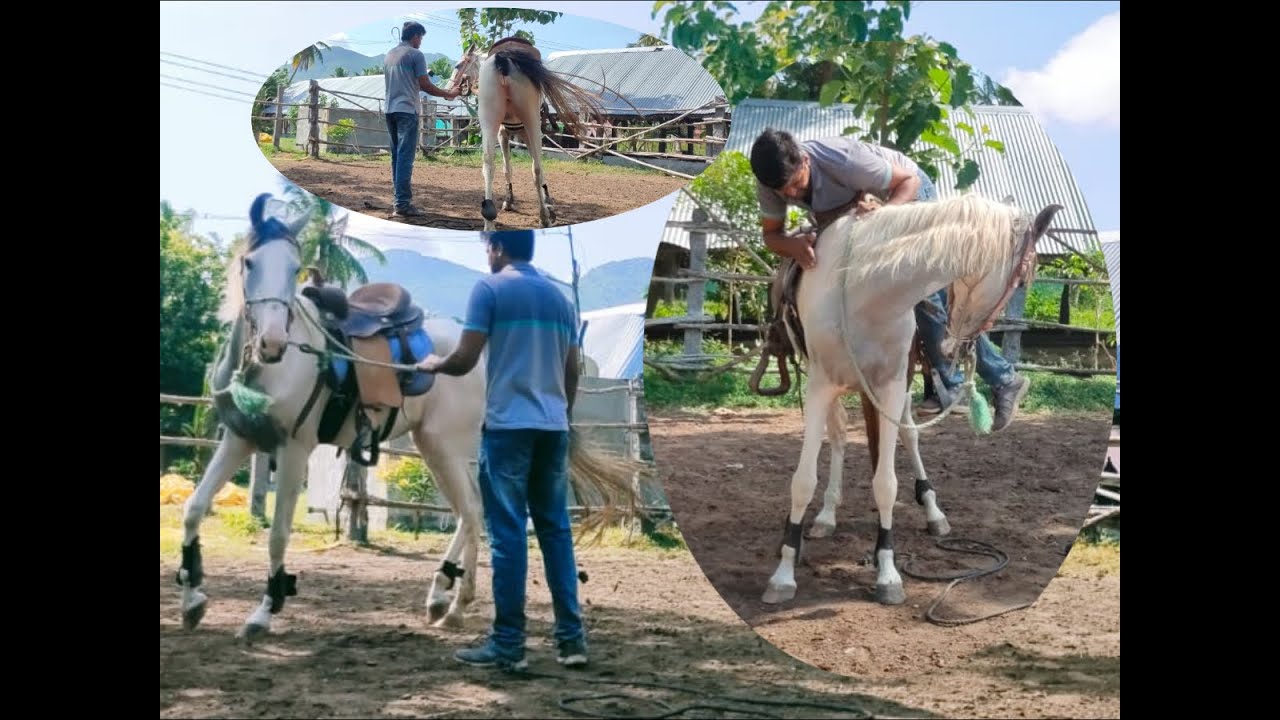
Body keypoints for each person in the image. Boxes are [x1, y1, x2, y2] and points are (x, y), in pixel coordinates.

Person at [749, 128, 1030, 432]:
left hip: (906, 196)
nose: (790, 195)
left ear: (805, 161)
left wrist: (883, 217)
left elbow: (909, 181)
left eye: (795, 185)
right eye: (782, 192)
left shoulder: (843, 159)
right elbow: (771, 235)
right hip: (855, 213)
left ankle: (991, 381)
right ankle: (943, 379)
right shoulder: (771, 181)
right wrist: (793, 245)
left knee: (922, 296)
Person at [417, 228, 588, 672]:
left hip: (508, 429)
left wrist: (433, 364)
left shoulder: (489, 289)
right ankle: (571, 641)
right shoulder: (558, 300)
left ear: (495, 248)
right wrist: (562, 415)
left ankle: (509, 644)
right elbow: (573, 368)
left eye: (486, 248)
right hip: (553, 429)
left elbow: (465, 358)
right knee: (555, 533)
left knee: (509, 535)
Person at [383, 21, 460, 218]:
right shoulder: (415, 55)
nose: (421, 42)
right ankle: (402, 204)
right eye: (421, 38)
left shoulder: (390, 55)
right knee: (406, 157)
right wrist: (448, 93)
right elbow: (425, 84)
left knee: (396, 157)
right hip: (407, 111)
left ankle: (398, 200)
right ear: (415, 36)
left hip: (390, 110)